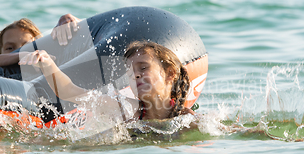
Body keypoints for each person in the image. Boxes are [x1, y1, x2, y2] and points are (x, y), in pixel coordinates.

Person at [19, 40, 194, 121]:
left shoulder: (185, 118)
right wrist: (48, 64)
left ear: (170, 74)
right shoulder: (125, 109)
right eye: (131, 71)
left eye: (143, 67)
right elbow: (69, 91)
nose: (136, 75)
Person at [0, 14, 80, 67]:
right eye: (10, 48)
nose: (18, 50)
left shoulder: (46, 61)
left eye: (27, 45)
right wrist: (21, 55)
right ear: (0, 52)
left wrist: (66, 18)